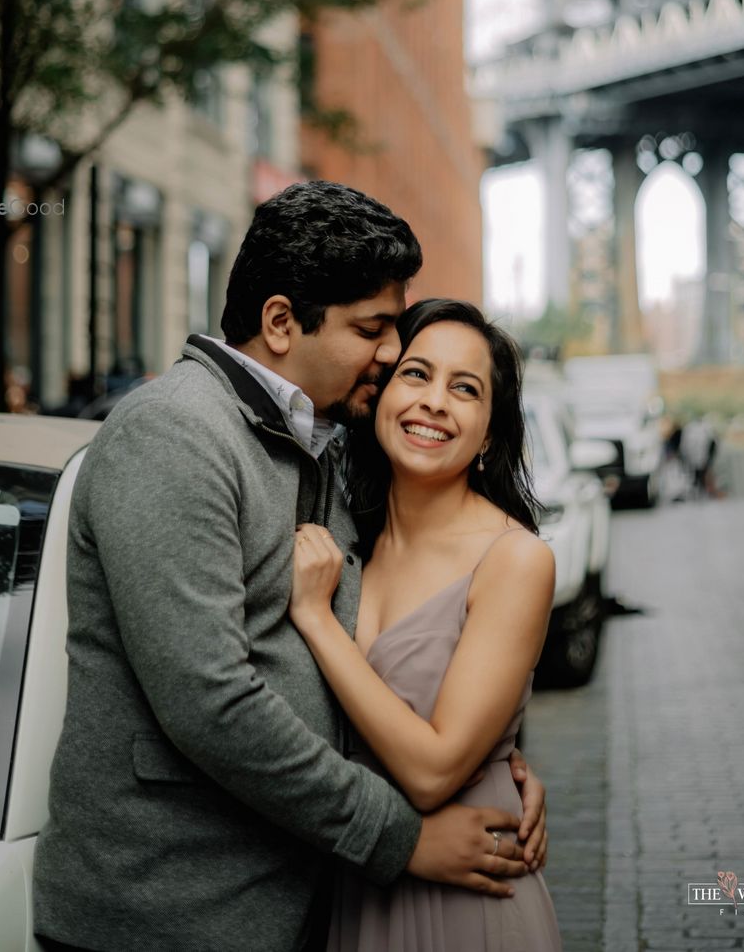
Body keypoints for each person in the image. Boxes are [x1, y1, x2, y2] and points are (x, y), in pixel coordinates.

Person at [33, 183, 548, 952]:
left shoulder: (327, 447)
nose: (388, 352)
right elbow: (212, 701)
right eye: (372, 329)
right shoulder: (173, 435)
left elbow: (417, 645)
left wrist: (495, 760)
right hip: (171, 915)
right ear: (280, 322)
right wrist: (402, 836)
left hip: (299, 899)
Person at [290, 297, 563, 951]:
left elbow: (436, 771)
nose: (435, 401)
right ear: (382, 394)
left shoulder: (515, 559)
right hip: (352, 883)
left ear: (491, 431)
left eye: (464, 389)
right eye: (417, 374)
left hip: (469, 895)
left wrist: (316, 620)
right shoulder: (343, 535)